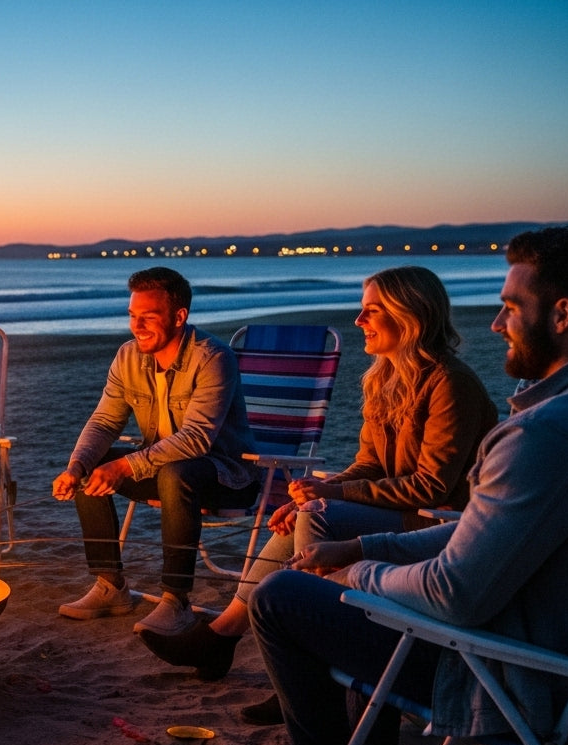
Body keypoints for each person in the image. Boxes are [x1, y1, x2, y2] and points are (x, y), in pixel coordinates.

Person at [250, 225, 568, 745]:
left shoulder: (544, 435)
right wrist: (361, 547)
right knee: (318, 537)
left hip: (514, 668)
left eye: (511, 307)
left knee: (279, 598)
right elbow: (493, 533)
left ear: (562, 316)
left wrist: (356, 574)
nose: (495, 324)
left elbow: (452, 593)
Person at [141, 266, 498, 702]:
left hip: (437, 523)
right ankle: (228, 636)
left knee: (319, 515)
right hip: (401, 510)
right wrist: (315, 489)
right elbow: (368, 464)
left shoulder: (449, 383)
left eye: (371, 311)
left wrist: (331, 493)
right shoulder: (385, 379)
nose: (359, 321)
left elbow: (430, 488)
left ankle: (294, 667)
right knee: (302, 514)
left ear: (409, 316)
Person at [53, 267, 260, 635]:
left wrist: (124, 468)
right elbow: (104, 421)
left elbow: (196, 439)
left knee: (175, 471)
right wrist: (76, 466)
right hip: (160, 469)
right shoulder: (128, 357)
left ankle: (175, 601)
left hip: (225, 475)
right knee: (94, 465)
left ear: (179, 316)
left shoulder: (213, 357)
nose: (137, 325)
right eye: (133, 316)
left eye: (149, 316)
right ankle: (110, 586)